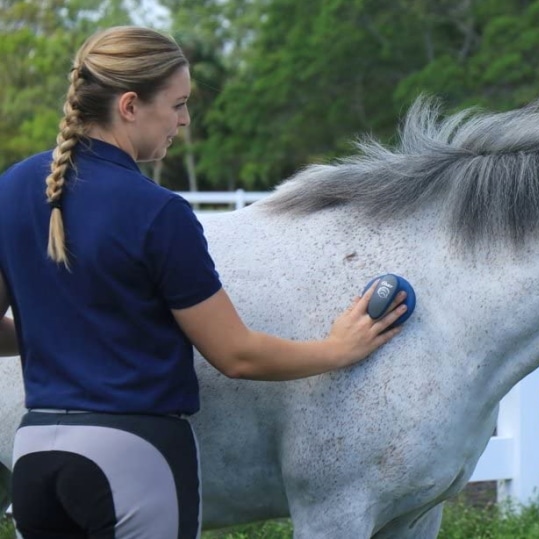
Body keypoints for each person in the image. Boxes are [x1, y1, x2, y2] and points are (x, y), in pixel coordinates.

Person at [0, 25, 407, 538]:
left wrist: (48, 331)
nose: (184, 120)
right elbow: (236, 355)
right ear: (129, 105)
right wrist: (338, 350)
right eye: (177, 104)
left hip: (37, 457)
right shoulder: (157, 212)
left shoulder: (11, 189)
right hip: (133, 457)